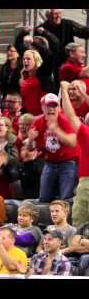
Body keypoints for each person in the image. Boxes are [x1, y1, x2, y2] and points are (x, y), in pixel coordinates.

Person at [27, 93, 79, 202]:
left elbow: (72, 143)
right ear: (42, 107)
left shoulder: (65, 120)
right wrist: (31, 139)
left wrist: (55, 129)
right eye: (48, 106)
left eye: (54, 106)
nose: (52, 109)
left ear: (59, 108)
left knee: (65, 199)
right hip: (50, 163)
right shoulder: (38, 122)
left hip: (68, 163)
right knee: (44, 198)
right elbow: (31, 149)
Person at [61, 80, 89, 226]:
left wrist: (65, 90)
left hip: (87, 183)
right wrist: (83, 94)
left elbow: (70, 114)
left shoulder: (86, 133)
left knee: (80, 225)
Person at [39, 9, 89, 82]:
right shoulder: (41, 29)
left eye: (59, 13)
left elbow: (84, 32)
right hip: (49, 66)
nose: (57, 16)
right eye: (54, 14)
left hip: (67, 63)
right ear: (48, 16)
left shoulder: (68, 24)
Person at [19, 50, 46, 116]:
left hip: (40, 114)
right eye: (24, 59)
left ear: (36, 61)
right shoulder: (23, 78)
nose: (25, 61)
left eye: (28, 59)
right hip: (27, 115)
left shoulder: (43, 78)